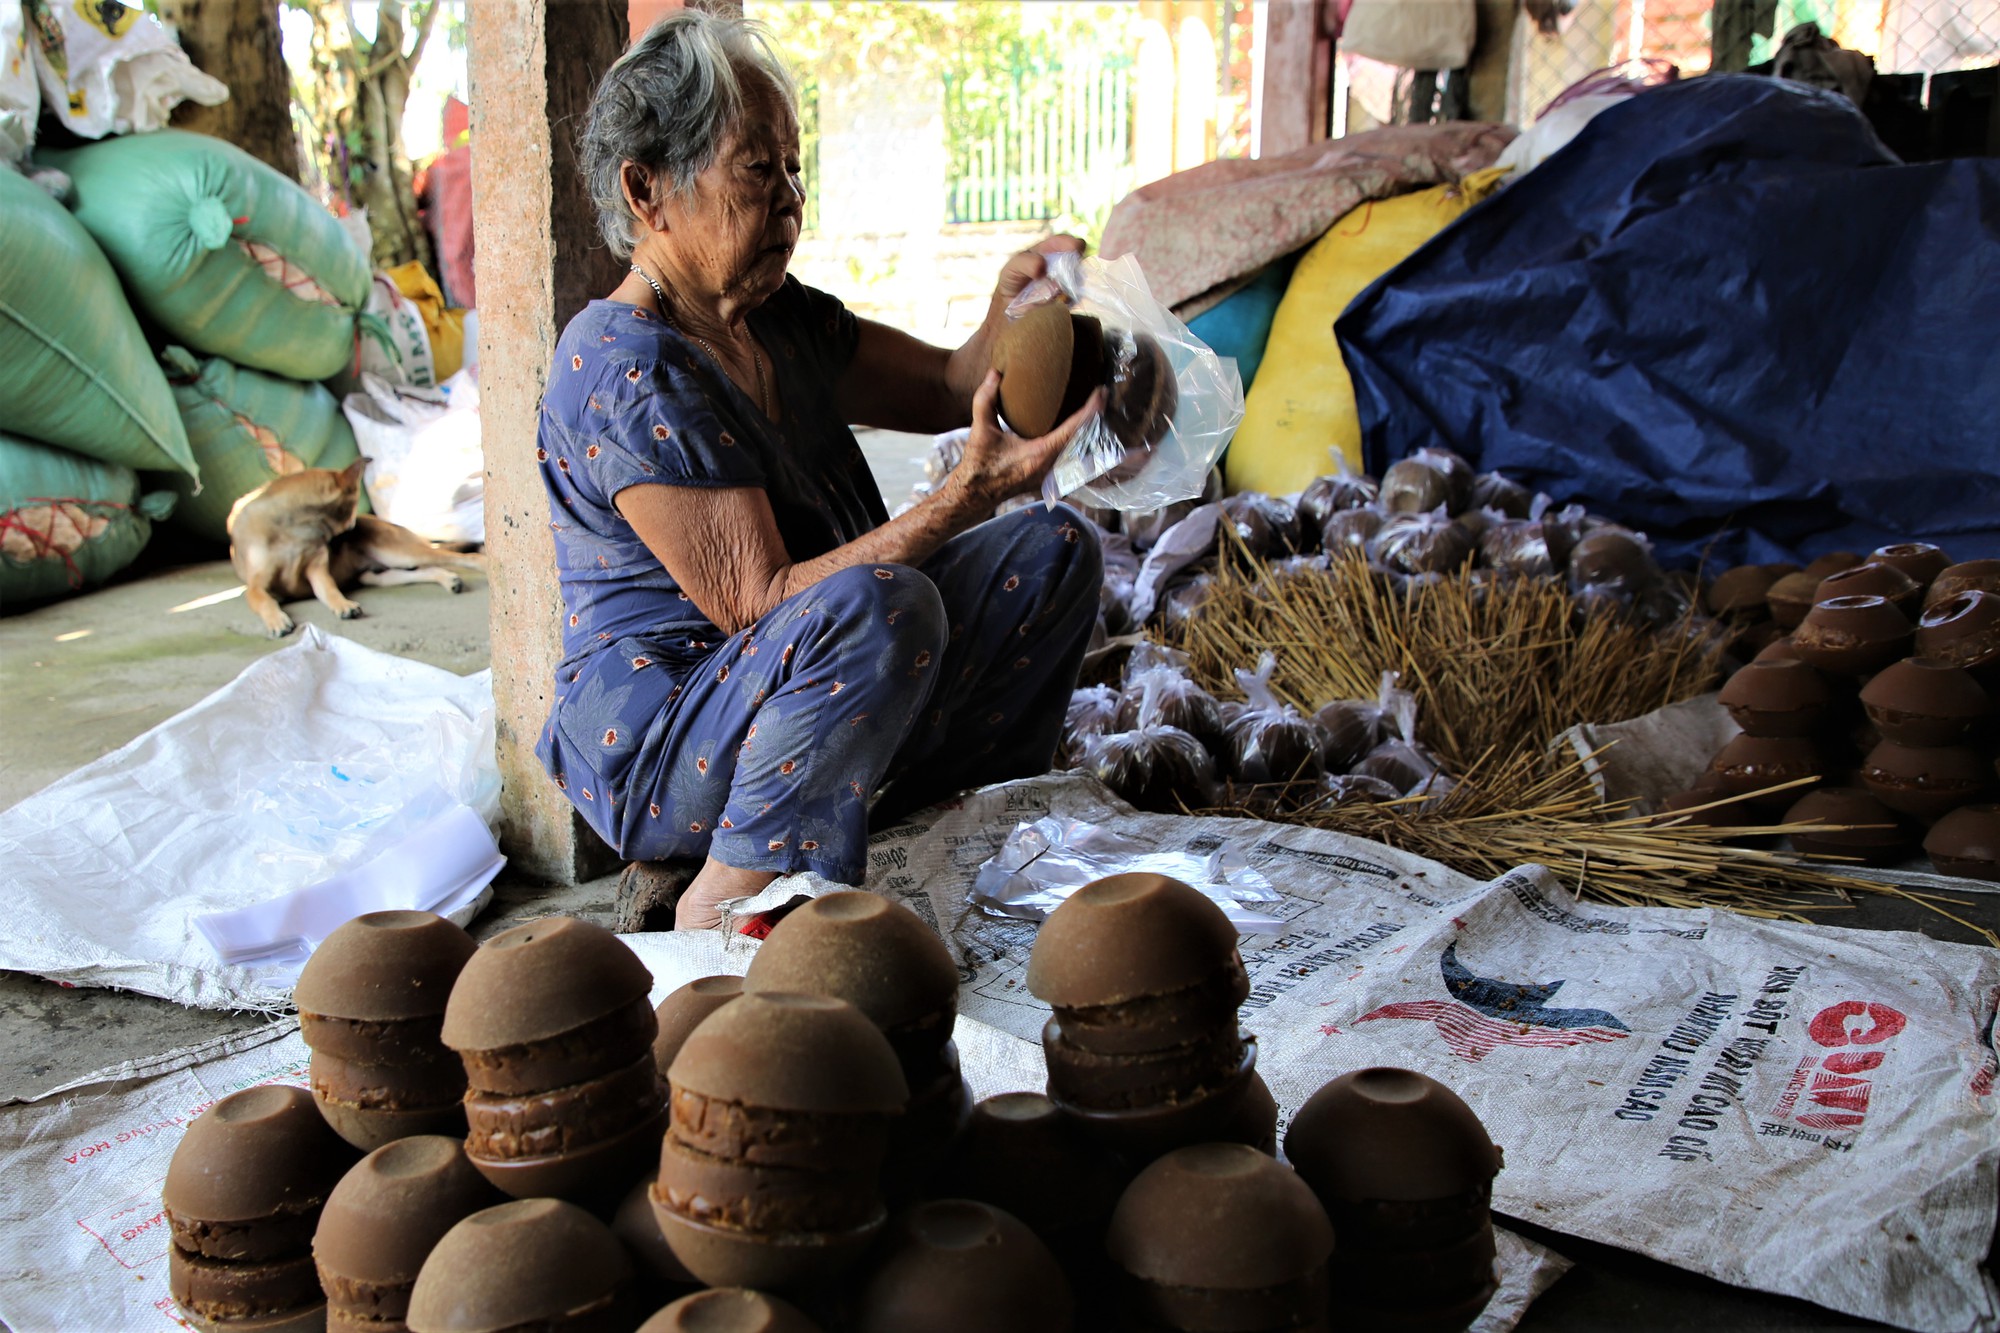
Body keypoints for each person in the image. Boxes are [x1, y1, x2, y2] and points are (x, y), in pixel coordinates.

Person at [539, 11, 1105, 929]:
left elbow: (946, 384)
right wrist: (962, 496)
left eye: (794, 169)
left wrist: (1011, 307)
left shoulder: (778, 316)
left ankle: (948, 832)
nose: (791, 200)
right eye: (758, 170)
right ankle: (716, 902)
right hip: (673, 736)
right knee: (885, 602)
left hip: (819, 676)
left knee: (1052, 550)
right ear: (648, 190)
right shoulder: (622, 365)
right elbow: (761, 602)